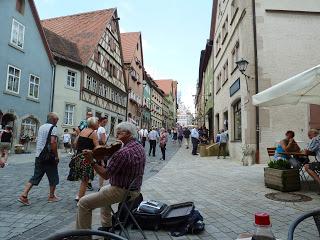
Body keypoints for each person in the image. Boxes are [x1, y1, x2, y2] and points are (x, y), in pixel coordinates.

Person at [76, 122, 146, 233]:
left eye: (119, 133)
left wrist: (92, 161)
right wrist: (104, 153)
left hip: (121, 191)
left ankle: (82, 236)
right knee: (103, 189)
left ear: (128, 134)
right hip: (135, 190)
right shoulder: (139, 147)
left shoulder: (122, 153)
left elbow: (106, 174)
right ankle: (107, 226)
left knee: (83, 203)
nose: (116, 136)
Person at [18, 112, 60, 205]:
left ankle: (24, 195)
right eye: (57, 119)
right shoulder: (53, 128)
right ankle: (51, 196)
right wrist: (56, 155)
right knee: (53, 175)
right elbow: (53, 142)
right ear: (52, 119)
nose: (57, 121)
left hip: (39, 155)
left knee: (36, 176)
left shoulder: (41, 127)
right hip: (48, 156)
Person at [69, 117, 99, 201]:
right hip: (87, 158)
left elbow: (75, 143)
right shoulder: (93, 133)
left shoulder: (83, 130)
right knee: (85, 179)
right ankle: (80, 198)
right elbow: (97, 148)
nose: (98, 124)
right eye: (97, 123)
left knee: (83, 179)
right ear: (94, 124)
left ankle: (79, 195)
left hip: (79, 156)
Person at [304, 129, 320, 193]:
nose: (309, 137)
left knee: (306, 166)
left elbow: (309, 150)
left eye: (309, 135)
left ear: (313, 134)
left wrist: (306, 150)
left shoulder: (315, 139)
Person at [97, 117, 108, 190]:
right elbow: (104, 141)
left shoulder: (96, 128)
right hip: (102, 149)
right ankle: (101, 186)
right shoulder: (102, 129)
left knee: (97, 166)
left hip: (96, 148)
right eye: (105, 122)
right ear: (101, 122)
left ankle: (89, 181)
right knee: (102, 168)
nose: (106, 123)